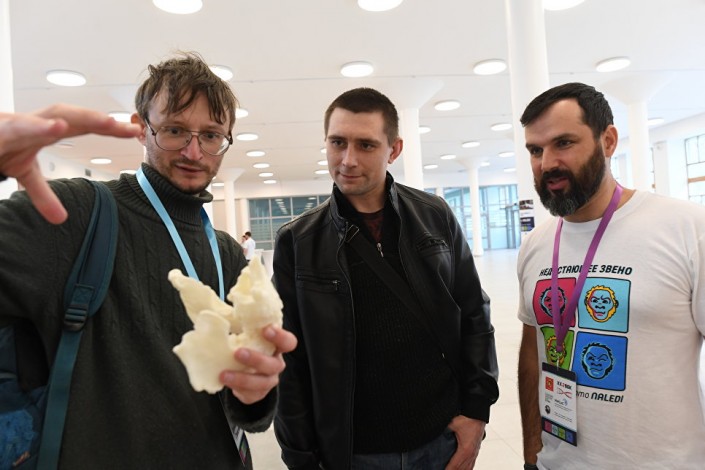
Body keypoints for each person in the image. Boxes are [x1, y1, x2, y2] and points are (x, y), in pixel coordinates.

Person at [0, 52, 296, 469]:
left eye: (212, 135)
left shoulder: (227, 253)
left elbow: (244, 408)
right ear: (141, 128)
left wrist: (256, 393)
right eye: (175, 130)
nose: (194, 151)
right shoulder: (76, 215)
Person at [272, 87, 499, 469]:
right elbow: (288, 362)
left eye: (365, 145)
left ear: (394, 150)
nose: (348, 159)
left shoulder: (434, 216)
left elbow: (474, 314)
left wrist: (476, 412)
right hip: (353, 452)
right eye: (337, 142)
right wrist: (301, 459)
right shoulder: (298, 241)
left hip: (438, 440)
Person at [516, 82, 705, 469]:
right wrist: (532, 452)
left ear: (608, 141)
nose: (547, 163)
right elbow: (534, 350)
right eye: (535, 150)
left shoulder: (686, 228)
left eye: (564, 143)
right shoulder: (536, 243)